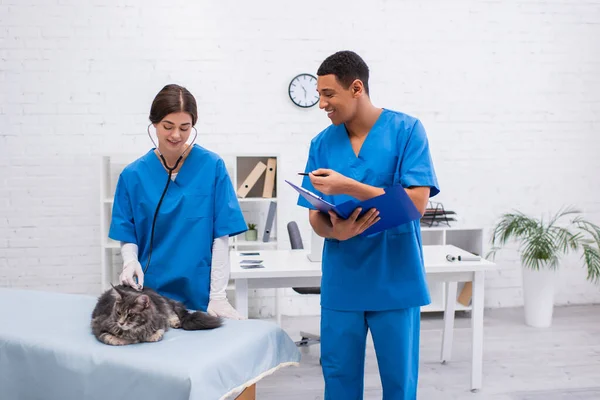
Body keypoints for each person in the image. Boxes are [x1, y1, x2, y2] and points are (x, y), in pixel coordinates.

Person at [297, 51, 440, 399]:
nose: (322, 104)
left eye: (328, 94)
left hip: (395, 277)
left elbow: (416, 204)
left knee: (399, 382)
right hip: (343, 279)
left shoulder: (406, 131)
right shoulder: (321, 143)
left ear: (356, 88)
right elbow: (314, 214)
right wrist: (335, 231)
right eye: (319, 95)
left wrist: (348, 186)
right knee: (339, 380)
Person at [109, 84, 247, 320]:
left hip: (199, 291)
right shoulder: (133, 175)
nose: (176, 135)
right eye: (168, 126)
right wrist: (130, 261)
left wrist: (218, 295)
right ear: (154, 124)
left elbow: (222, 235)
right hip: (149, 295)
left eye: (185, 127)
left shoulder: (211, 167)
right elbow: (127, 232)